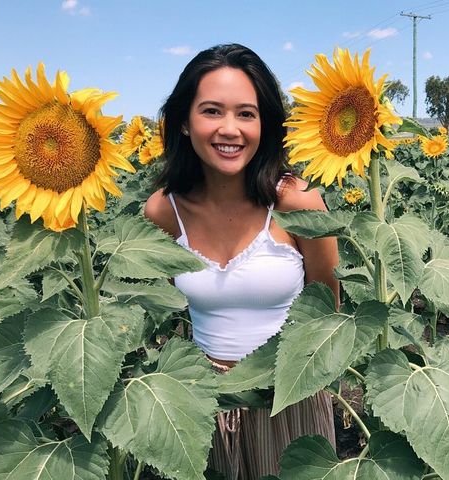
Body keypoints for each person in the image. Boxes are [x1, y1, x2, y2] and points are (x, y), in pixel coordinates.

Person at [143, 43, 339, 480]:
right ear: (183, 123)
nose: (229, 129)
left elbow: (328, 314)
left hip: (287, 401)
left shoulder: (297, 202)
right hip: (204, 406)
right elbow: (159, 309)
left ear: (266, 125)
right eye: (211, 111)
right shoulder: (162, 211)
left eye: (246, 114)